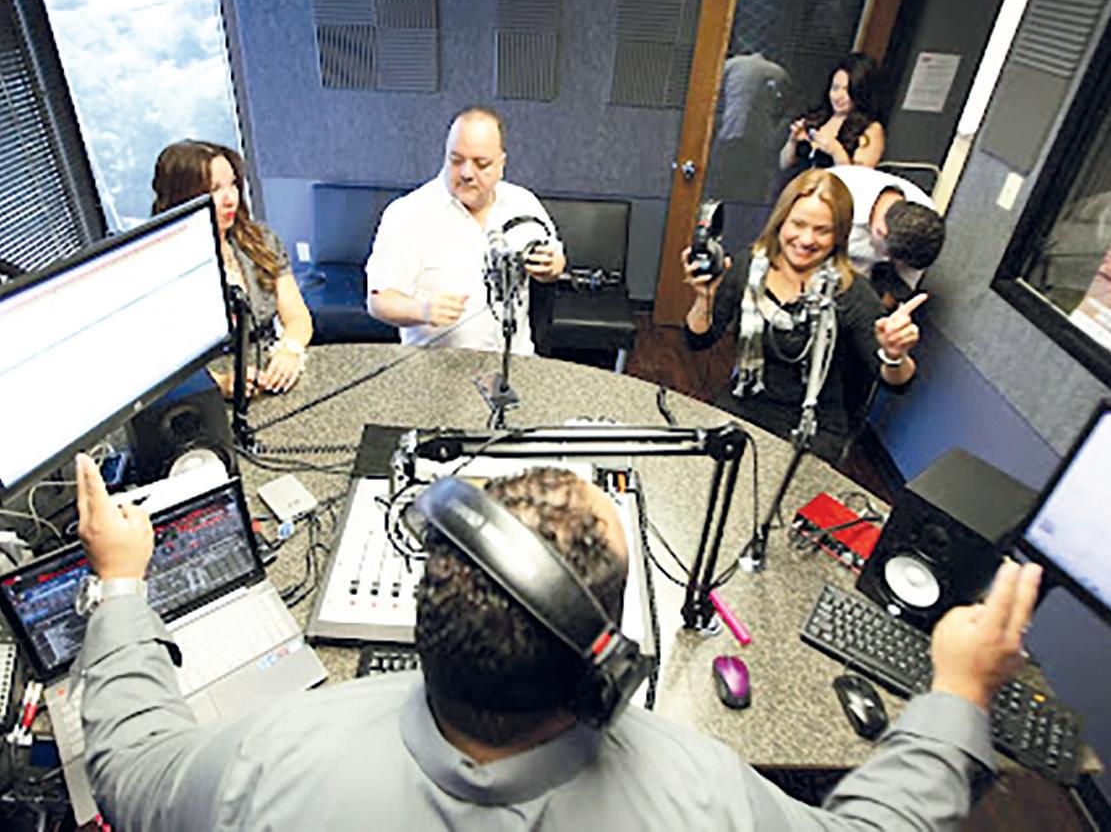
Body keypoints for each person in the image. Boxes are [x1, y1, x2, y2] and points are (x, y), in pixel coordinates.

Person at [73, 453, 1042, 830]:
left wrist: (121, 584)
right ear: (606, 660)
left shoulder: (270, 760)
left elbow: (128, 764)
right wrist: (956, 693)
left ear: (426, 610)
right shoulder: (695, 797)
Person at [684, 169, 923, 462]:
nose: (806, 239)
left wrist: (896, 355)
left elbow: (898, 383)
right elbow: (699, 340)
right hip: (745, 402)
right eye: (798, 224)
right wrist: (704, 297)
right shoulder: (748, 267)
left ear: (839, 235)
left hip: (814, 425)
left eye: (822, 230)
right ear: (781, 220)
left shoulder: (853, 294)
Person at [365, 107, 565, 354]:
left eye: (481, 164)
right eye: (456, 160)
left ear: (501, 164)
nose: (467, 173)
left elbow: (554, 259)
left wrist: (552, 267)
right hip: (435, 367)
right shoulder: (408, 214)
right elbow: (379, 301)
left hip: (515, 361)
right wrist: (422, 310)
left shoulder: (523, 203)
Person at [152, 140, 313, 396]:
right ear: (182, 198)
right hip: (204, 394)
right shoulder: (160, 267)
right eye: (215, 189)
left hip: (267, 374)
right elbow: (159, 363)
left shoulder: (261, 240)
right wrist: (220, 383)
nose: (230, 199)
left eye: (233, 184)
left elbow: (297, 317)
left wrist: (289, 350)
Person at [829, 165, 946, 307]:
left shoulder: (925, 214)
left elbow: (904, 281)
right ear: (880, 232)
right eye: (889, 256)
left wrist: (887, 304)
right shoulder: (833, 200)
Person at [780, 53, 885, 171]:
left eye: (847, 90)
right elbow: (784, 165)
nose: (838, 96)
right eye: (835, 88)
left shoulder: (871, 129)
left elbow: (858, 177)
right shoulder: (819, 118)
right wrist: (793, 141)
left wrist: (836, 152)